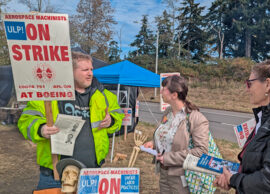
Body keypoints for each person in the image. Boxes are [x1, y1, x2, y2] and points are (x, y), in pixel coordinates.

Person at [18, 51, 124, 190]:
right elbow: (26, 119)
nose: (90, 73)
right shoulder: (49, 94)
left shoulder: (104, 95)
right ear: (70, 71)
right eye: (85, 70)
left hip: (91, 173)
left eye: (91, 69)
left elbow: (118, 116)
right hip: (54, 174)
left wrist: (112, 121)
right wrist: (41, 128)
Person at [213, 60, 270, 193]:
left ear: (267, 84)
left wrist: (234, 180)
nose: (247, 89)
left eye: (250, 84)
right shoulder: (267, 119)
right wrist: (233, 178)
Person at [143, 75, 209, 194]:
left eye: (164, 89)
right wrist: (153, 144)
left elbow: (201, 152)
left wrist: (168, 158)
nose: (161, 91)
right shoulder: (167, 113)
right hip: (163, 173)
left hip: (182, 176)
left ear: (174, 95)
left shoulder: (196, 118)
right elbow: (168, 137)